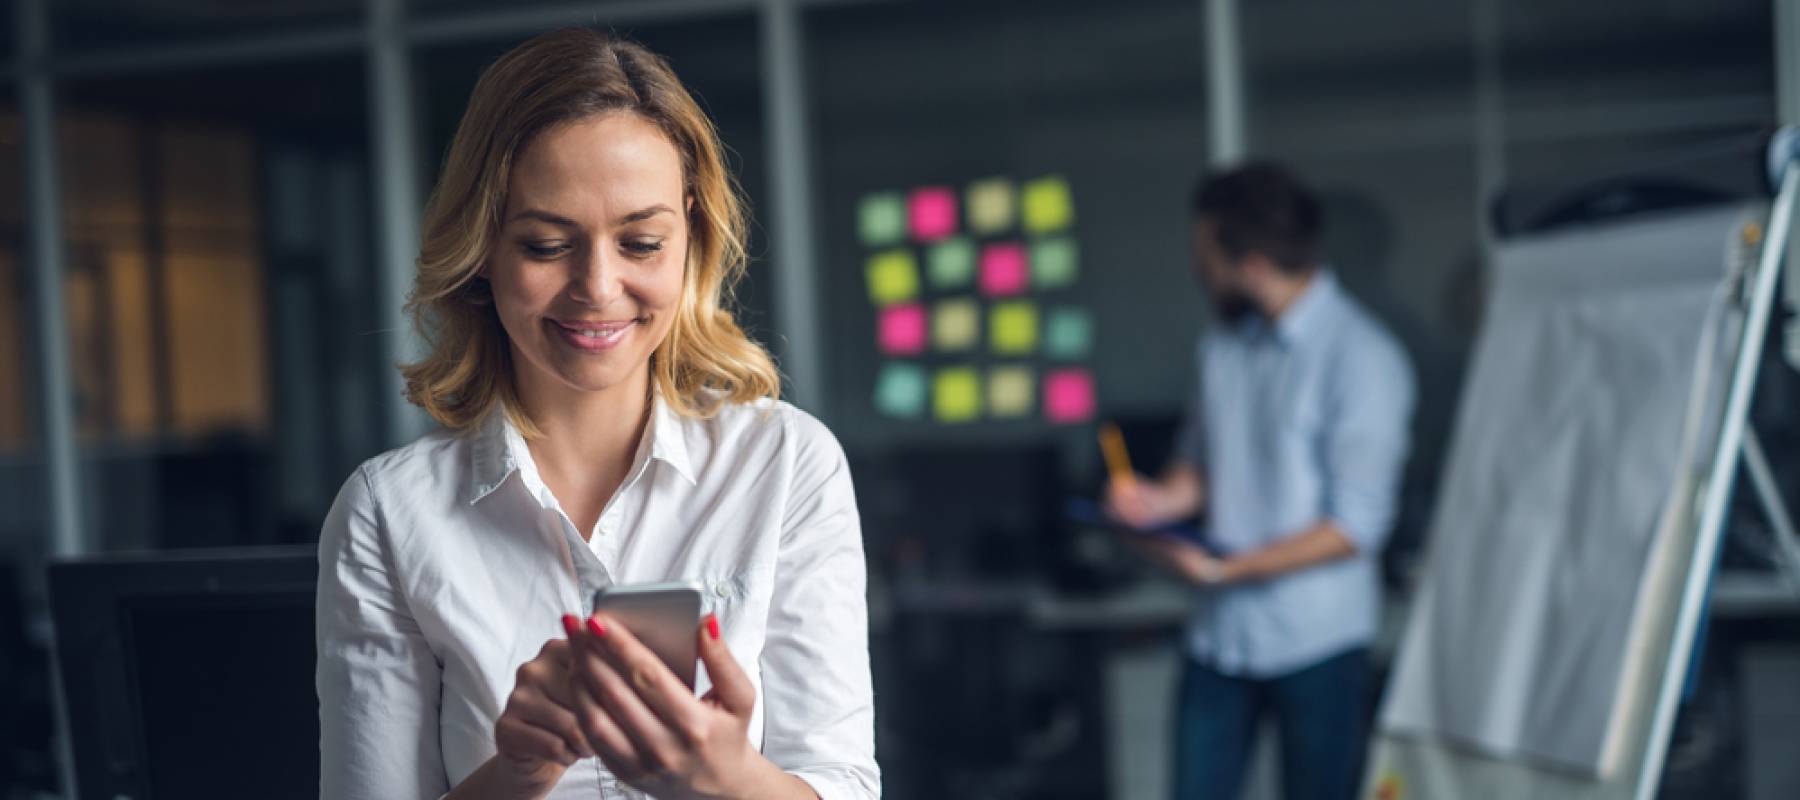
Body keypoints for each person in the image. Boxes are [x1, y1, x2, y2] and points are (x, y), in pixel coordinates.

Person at [315, 28, 878, 800]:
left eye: (642, 242)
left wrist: (728, 778)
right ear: (482, 251)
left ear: (691, 236)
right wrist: (519, 771)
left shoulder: (785, 464)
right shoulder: (388, 513)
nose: (599, 288)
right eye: (547, 246)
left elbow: (844, 781)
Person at [1107, 163, 1415, 800]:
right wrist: (1156, 500)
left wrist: (1226, 569)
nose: (1198, 270)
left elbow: (1355, 527)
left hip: (1318, 642)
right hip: (1220, 639)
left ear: (1246, 260)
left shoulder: (1363, 358)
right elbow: (1201, 464)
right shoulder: (1220, 349)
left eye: (1204, 254)